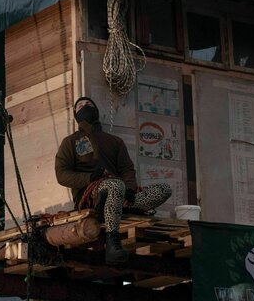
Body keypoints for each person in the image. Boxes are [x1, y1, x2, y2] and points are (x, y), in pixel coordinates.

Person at [55, 97, 171, 264]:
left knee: (163, 189)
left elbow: (127, 169)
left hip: (120, 192)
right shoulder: (70, 142)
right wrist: (88, 178)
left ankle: (113, 207)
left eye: (89, 104)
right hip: (89, 194)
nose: (85, 107)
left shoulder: (115, 141)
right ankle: (112, 244)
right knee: (115, 185)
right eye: (80, 106)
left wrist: (130, 189)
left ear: (96, 111)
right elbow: (61, 174)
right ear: (76, 115)